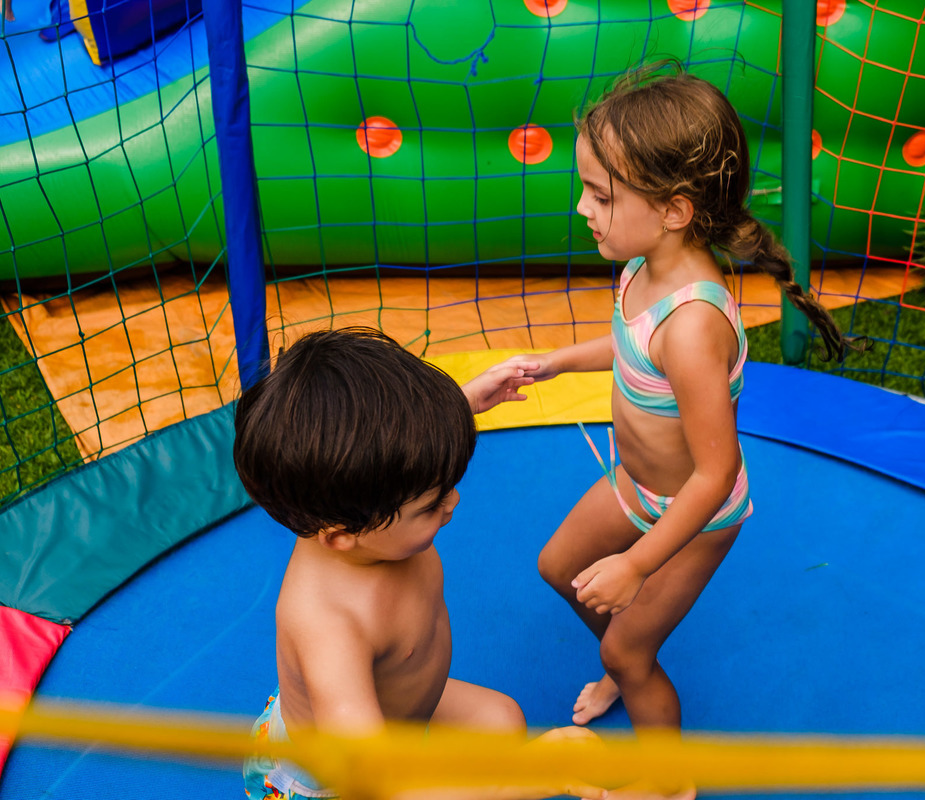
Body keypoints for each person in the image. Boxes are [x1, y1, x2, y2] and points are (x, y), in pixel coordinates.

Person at [499, 64, 863, 741]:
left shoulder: (694, 326)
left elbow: (715, 474)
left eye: (600, 196)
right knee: (560, 568)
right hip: (635, 485)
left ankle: (664, 769)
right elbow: (630, 345)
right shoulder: (642, 266)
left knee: (625, 650)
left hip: (696, 511)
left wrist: (638, 565)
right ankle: (626, 656)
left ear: (673, 211)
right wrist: (555, 362)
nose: (582, 208)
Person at [233, 327, 605, 800]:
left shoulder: (356, 505)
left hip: (399, 714)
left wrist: (457, 407)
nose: (452, 501)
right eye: (430, 505)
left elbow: (379, 453)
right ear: (342, 537)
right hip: (341, 780)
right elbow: (382, 786)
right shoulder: (330, 626)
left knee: (499, 720)